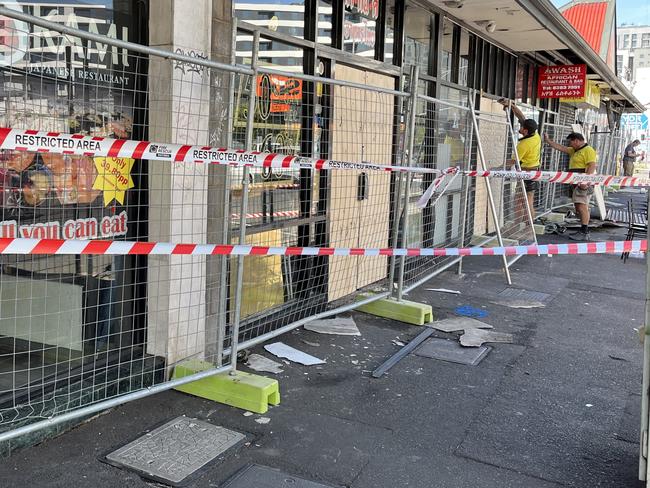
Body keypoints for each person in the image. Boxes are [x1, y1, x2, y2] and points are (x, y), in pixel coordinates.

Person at [544, 132, 598, 241]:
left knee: (582, 206)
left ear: (577, 140)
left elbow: (592, 165)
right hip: (576, 182)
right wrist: (548, 141)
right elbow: (561, 147)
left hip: (582, 183)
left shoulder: (588, 150)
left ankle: (584, 231)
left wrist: (585, 181)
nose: (570, 145)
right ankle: (583, 229)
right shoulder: (574, 150)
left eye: (571, 142)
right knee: (579, 206)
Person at [498, 99, 541, 220]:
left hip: (527, 173)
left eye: (521, 127)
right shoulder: (535, 135)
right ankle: (528, 227)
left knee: (521, 201)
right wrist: (512, 105)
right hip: (532, 172)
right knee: (527, 201)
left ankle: (523, 228)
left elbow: (513, 161)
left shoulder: (524, 144)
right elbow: (522, 117)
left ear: (525, 131)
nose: (520, 126)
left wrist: (496, 168)